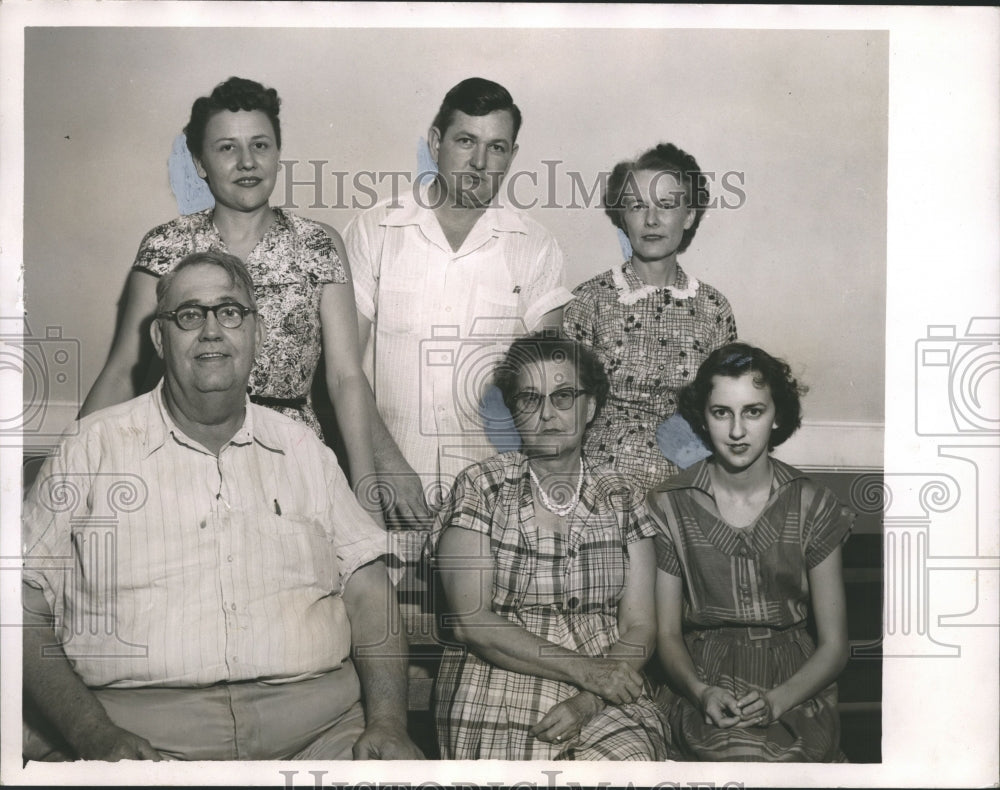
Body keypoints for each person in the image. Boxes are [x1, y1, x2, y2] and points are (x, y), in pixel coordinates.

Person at [22, 252, 422, 761]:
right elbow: (20, 606)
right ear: (159, 339)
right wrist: (92, 734)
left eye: (230, 311)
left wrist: (388, 722)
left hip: (321, 737)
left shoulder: (304, 450)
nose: (212, 330)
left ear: (255, 334)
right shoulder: (91, 447)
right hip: (143, 743)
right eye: (190, 315)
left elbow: (369, 594)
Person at [79, 76, 379, 517]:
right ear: (200, 162)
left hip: (290, 459)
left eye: (260, 145)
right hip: (182, 452)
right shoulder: (166, 246)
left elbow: (346, 378)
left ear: (278, 154)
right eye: (226, 148)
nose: (246, 162)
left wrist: (366, 492)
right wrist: (69, 470)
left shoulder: (318, 244)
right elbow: (124, 369)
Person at [431, 332, 670, 760]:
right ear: (512, 410)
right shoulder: (481, 487)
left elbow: (640, 627)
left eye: (563, 396)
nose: (546, 414)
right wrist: (586, 672)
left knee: (631, 768)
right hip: (496, 681)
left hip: (608, 689)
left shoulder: (623, 494)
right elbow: (470, 623)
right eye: (529, 399)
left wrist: (592, 697)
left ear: (590, 406)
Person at [346, 77, 573, 528]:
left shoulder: (536, 248)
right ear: (436, 142)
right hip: (382, 485)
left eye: (497, 148)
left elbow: (543, 392)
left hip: (495, 499)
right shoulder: (376, 230)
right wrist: (387, 464)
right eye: (466, 141)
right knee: (387, 600)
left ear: (512, 156)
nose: (479, 162)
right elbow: (343, 370)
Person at [647, 343, 852, 761]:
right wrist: (700, 692)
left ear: (777, 417)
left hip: (795, 679)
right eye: (721, 412)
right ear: (703, 419)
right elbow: (667, 634)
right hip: (699, 674)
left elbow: (835, 645)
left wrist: (778, 701)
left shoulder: (813, 504)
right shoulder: (669, 505)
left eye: (753, 411)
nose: (737, 431)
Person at [563, 142, 737, 492]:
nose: (651, 220)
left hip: (687, 481)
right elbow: (567, 405)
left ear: (688, 216)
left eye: (667, 205)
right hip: (600, 480)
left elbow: (724, 409)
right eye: (637, 206)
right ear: (623, 216)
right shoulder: (589, 300)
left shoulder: (714, 308)